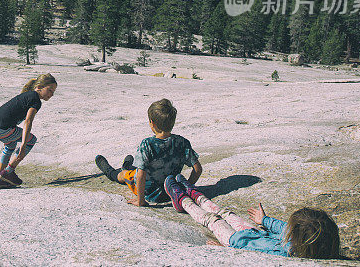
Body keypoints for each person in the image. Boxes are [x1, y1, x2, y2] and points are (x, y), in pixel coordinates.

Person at [164, 175, 340, 258]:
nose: (288, 230)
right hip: (253, 231)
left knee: (212, 220)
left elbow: (248, 254)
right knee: (226, 213)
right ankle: (196, 195)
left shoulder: (278, 254)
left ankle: (184, 201)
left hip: (233, 240)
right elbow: (284, 227)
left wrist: (223, 249)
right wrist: (264, 220)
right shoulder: (305, 239)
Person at [95, 98, 202, 206]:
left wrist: (141, 201)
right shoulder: (182, 142)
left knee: (124, 174)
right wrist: (185, 188)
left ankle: (110, 171)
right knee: (136, 167)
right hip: (171, 191)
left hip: (150, 194)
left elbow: (141, 175)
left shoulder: (148, 144)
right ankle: (128, 164)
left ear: (152, 123)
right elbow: (198, 169)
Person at [0, 73, 57, 188]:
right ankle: (8, 172)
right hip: (3, 129)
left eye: (53, 92)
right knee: (31, 140)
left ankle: (1, 177)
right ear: (39, 87)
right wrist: (24, 145)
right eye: (50, 90)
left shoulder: (28, 95)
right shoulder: (35, 100)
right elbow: (28, 121)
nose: (52, 94)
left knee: (10, 145)